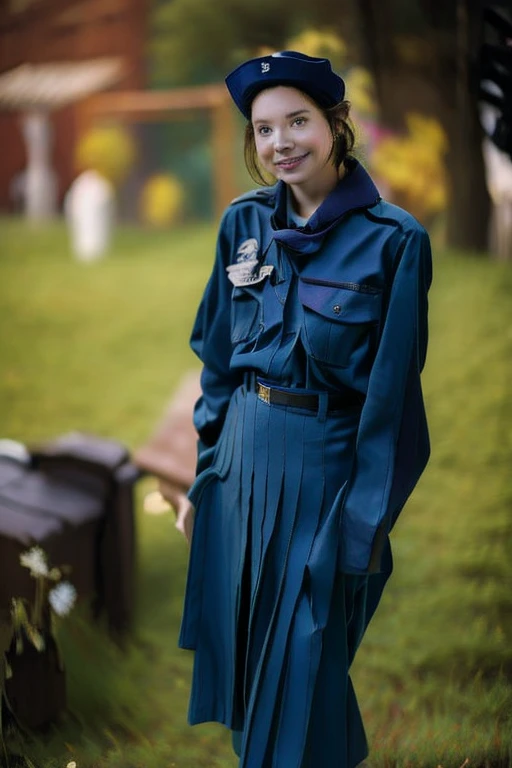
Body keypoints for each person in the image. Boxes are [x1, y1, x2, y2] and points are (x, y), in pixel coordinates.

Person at [177, 51, 432, 768]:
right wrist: (206, 476)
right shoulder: (242, 225)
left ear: (336, 124)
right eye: (263, 130)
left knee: (305, 663)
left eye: (298, 122)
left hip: (325, 477)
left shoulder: (394, 242)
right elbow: (220, 363)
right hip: (240, 471)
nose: (281, 143)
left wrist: (363, 528)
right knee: (252, 671)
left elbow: (393, 408)